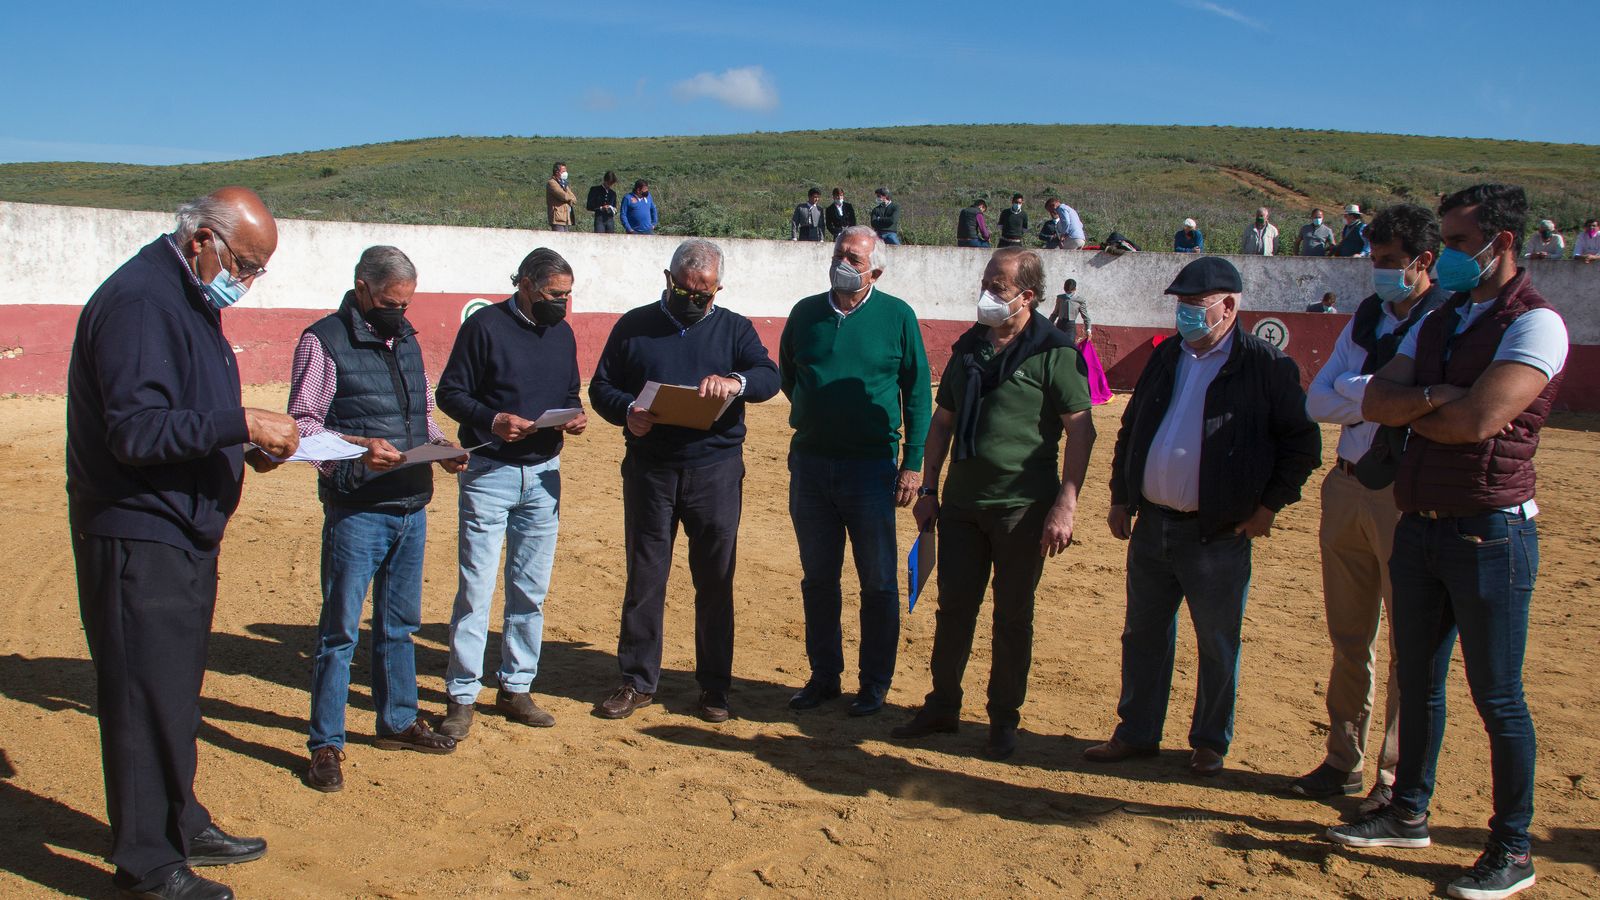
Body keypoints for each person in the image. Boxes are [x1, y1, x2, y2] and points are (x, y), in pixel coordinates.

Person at [1327, 184, 1569, 900]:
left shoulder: (1538, 325)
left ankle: (1513, 846)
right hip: (1424, 520)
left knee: (1498, 696)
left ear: (1503, 242)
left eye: (1461, 244)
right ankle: (1408, 811)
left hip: (1491, 530)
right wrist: (1438, 399)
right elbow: (1373, 399)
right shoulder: (1450, 318)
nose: (1451, 257)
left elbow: (1479, 423)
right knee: (1422, 681)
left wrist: (1421, 404)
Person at [67, 187, 300, 899]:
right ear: (202, 238)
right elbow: (137, 432)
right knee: (142, 695)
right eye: (245, 263)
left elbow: (186, 416)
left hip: (179, 526)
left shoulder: (186, 297)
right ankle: (147, 861)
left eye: (258, 269)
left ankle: (181, 818)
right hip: (141, 530)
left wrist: (240, 447)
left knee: (172, 689)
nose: (248, 280)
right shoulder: (144, 303)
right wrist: (241, 423)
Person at [1084, 256, 1319, 777]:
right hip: (1152, 524)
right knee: (1142, 632)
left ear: (1228, 306)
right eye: (1181, 306)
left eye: (1195, 306)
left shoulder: (1265, 366)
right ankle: (1137, 733)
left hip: (1217, 532)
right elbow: (1132, 429)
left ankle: (1211, 740)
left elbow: (1302, 445)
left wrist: (1268, 507)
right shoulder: (1169, 360)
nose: (1185, 315)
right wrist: (1123, 496)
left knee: (1215, 639)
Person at [890, 247, 1096, 761]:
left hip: (1023, 509)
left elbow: (1081, 431)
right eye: (986, 281)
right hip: (961, 505)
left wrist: (1065, 504)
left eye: (998, 286)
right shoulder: (969, 349)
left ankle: (1004, 719)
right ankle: (942, 705)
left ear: (1027, 296)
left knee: (1012, 617)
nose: (987, 293)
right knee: (953, 610)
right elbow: (942, 423)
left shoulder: (1055, 352)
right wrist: (930, 488)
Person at [289, 246, 465, 793]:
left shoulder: (408, 339)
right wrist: (359, 452)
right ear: (362, 288)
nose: (400, 313)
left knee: (400, 625)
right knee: (339, 631)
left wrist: (442, 447)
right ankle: (326, 743)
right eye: (391, 303)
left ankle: (396, 721)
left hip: (411, 500)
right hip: (358, 506)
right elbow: (303, 427)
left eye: (407, 303)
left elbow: (423, 415)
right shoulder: (322, 340)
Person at [1294, 203, 1451, 813]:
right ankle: (1344, 758)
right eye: (1374, 259)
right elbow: (1316, 401)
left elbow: (1363, 397)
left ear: (1424, 261)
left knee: (1410, 641)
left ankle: (1394, 773)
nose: (1377, 272)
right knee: (1349, 633)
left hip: (1406, 492)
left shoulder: (1445, 321)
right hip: (1349, 484)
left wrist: (1357, 393)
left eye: (1389, 262)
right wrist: (1382, 397)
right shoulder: (1365, 317)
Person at [589, 239, 780, 723]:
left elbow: (767, 377)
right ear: (668, 278)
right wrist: (626, 412)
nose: (693, 299)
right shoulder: (634, 325)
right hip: (650, 469)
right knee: (645, 575)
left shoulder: (734, 327)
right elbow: (601, 387)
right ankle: (636, 680)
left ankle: (715, 687)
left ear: (718, 289)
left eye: (704, 294)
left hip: (714, 470)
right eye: (684, 290)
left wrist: (734, 382)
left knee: (715, 579)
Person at [435, 248, 589, 741]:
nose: (561, 305)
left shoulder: (562, 334)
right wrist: (492, 420)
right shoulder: (483, 328)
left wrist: (575, 414)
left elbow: (568, 393)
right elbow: (450, 394)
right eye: (553, 295)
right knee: (475, 589)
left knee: (530, 589)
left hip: (544, 474)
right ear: (524, 284)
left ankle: (516, 685)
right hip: (489, 470)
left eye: (566, 296)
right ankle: (462, 694)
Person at [779, 226, 931, 717]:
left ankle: (874, 685)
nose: (845, 262)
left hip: (872, 468)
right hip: (811, 464)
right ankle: (824, 676)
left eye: (855, 258)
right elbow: (790, 375)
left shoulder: (897, 316)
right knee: (817, 579)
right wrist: (815, 414)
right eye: (840, 253)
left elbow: (919, 393)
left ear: (876, 271)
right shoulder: (806, 313)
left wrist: (913, 463)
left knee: (879, 582)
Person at [545, 162, 577, 232]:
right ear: (557, 172)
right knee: (559, 239)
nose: (565, 173)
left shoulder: (564, 184)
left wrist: (570, 199)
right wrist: (570, 199)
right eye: (563, 171)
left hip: (566, 217)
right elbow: (563, 196)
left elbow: (574, 198)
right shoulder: (552, 183)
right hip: (557, 218)